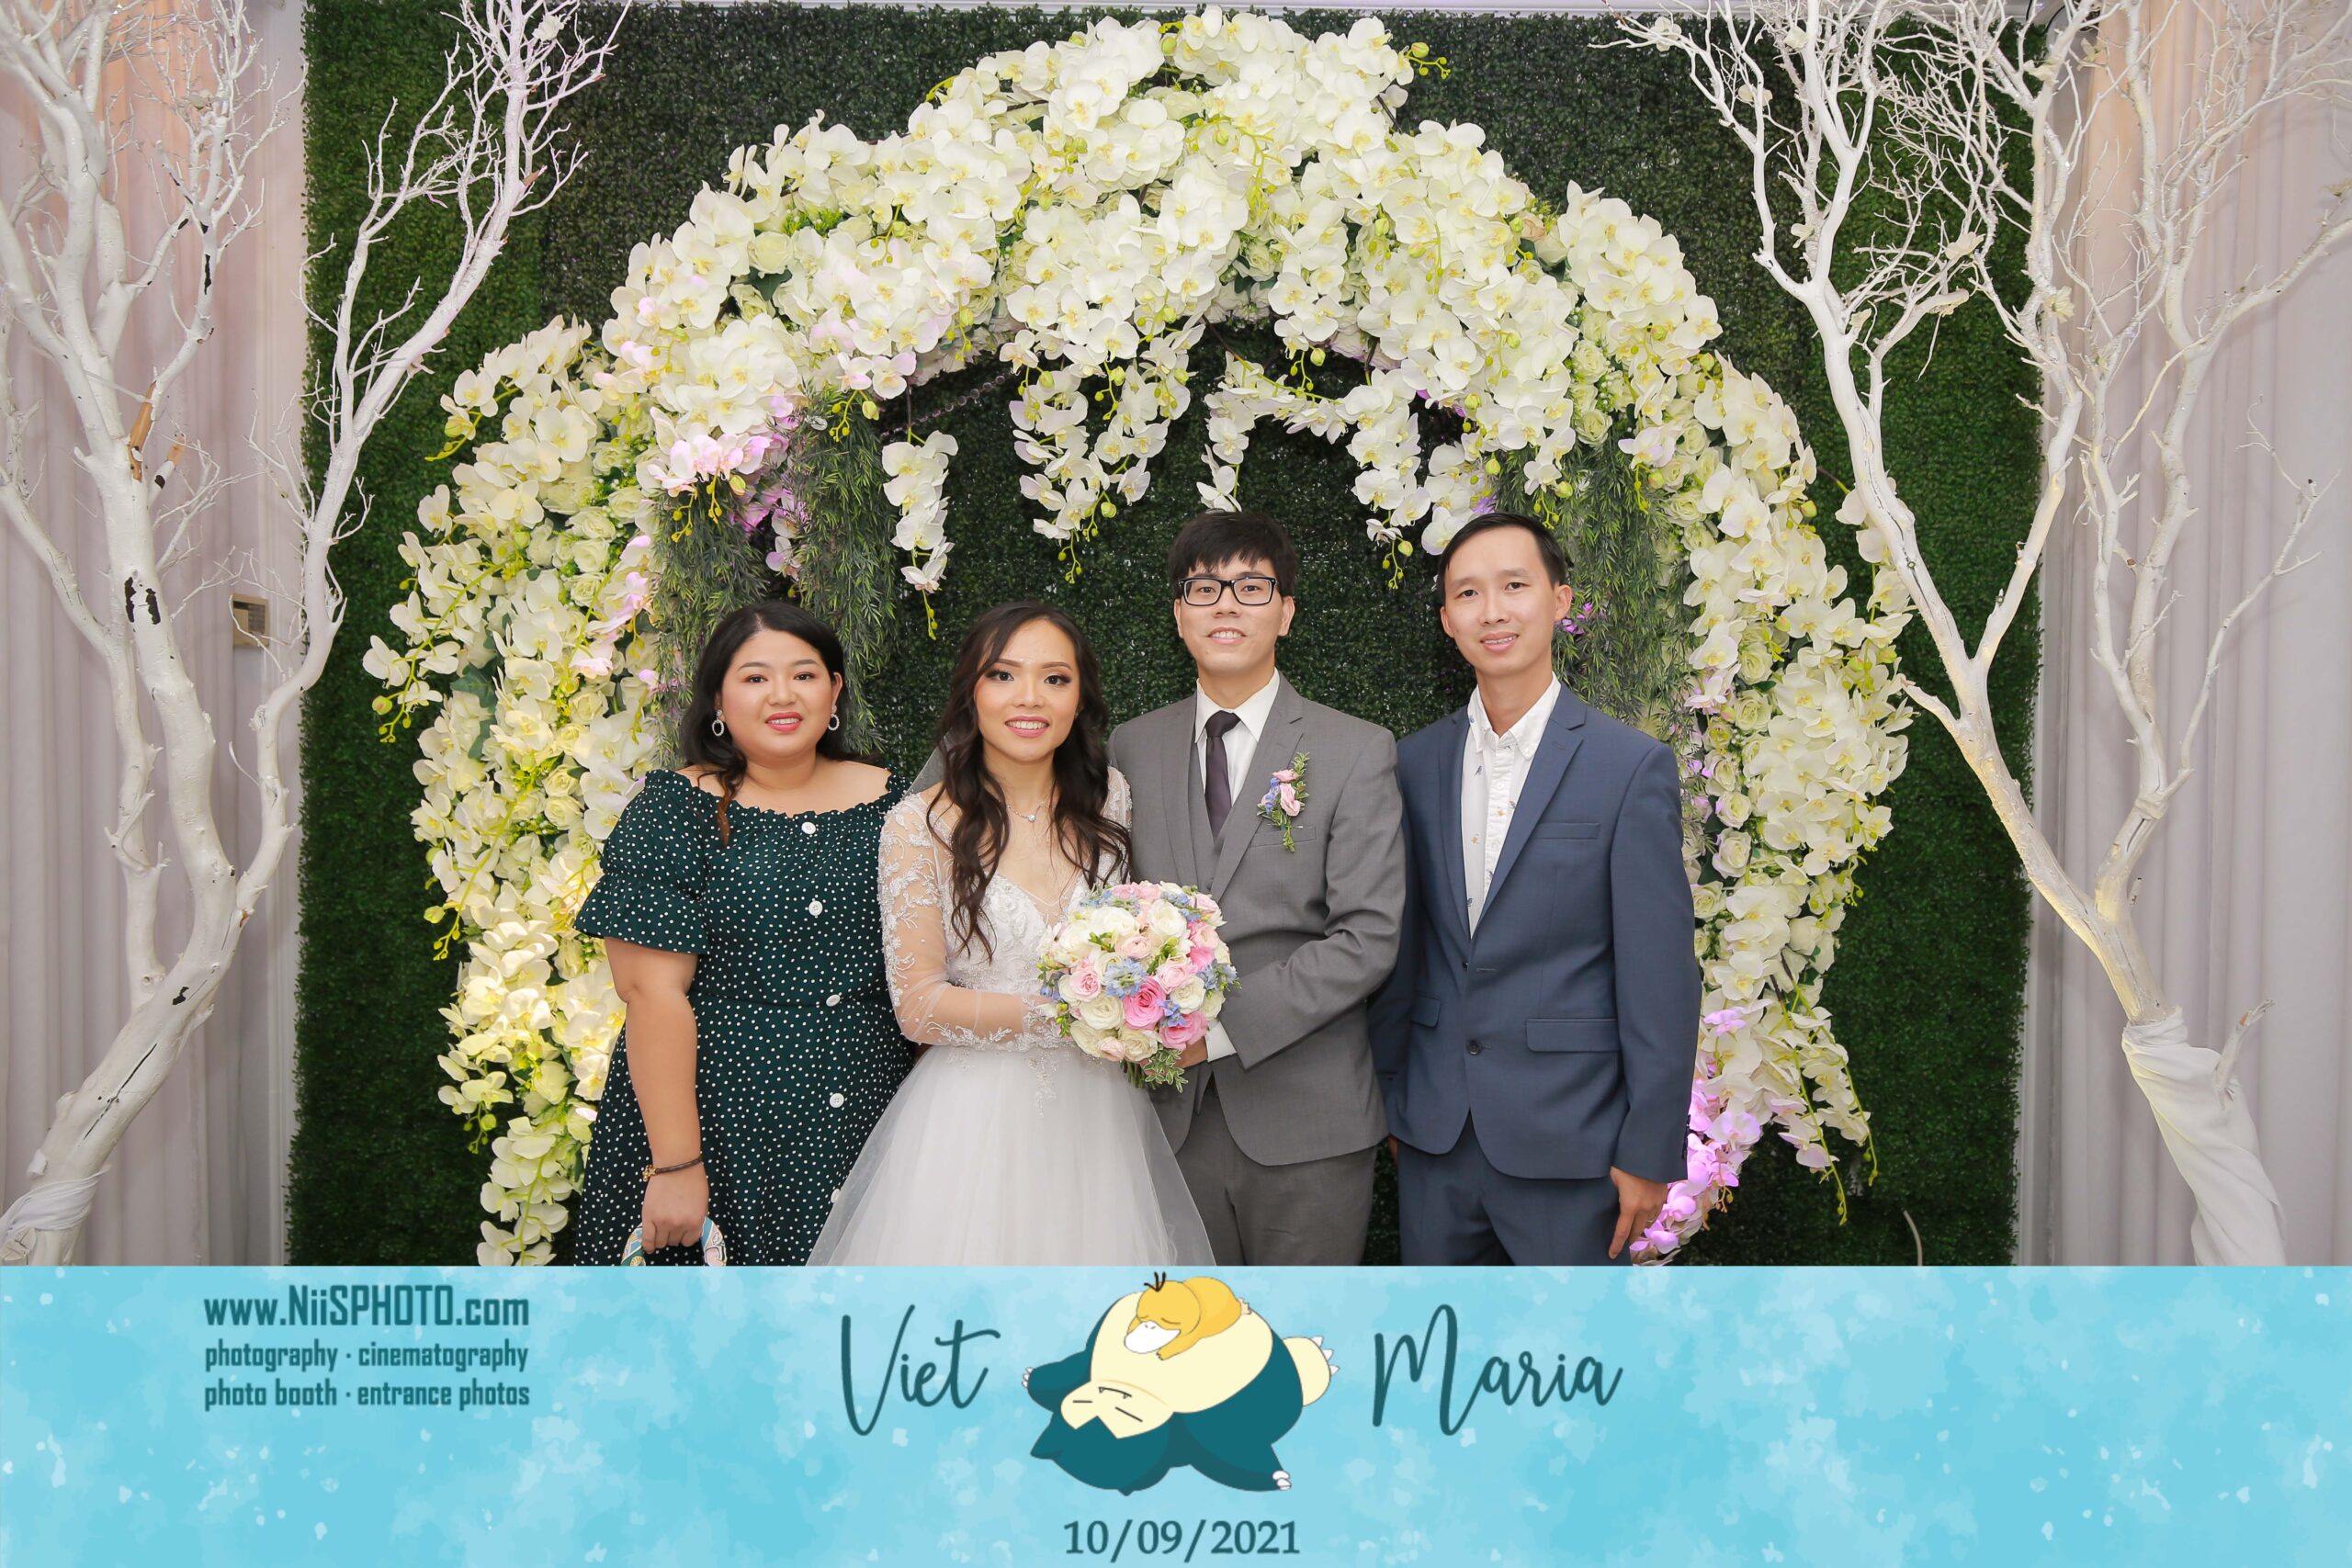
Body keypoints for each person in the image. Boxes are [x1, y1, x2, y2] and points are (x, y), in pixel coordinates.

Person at [807, 603, 1214, 1265]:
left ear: (1080, 697)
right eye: (1003, 675)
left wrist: (1153, 995)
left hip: (1101, 1115)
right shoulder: (918, 825)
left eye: (1055, 678)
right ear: (972, 692)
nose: (1030, 698)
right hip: (973, 1119)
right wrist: (1082, 1013)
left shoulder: (1111, 799)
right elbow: (918, 1006)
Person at [1370, 512, 1701, 1266]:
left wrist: (1650, 1146)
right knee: (1444, 1338)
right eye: (1468, 593)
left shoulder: (1629, 766)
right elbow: (1403, 948)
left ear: (1559, 600)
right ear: (1447, 619)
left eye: (1514, 585)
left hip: (1574, 1142)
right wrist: (1393, 1096)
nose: (1492, 610)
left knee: (1569, 1341)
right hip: (1434, 1136)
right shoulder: (1411, 764)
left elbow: (1659, 974)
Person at [1107, 511, 1406, 1266]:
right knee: (1184, 1332)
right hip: (1167, 1121)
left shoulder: (1354, 748)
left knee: (1303, 1330)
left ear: (1287, 612)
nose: (1227, 605)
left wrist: (1214, 1030)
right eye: (1204, 588)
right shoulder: (1132, 746)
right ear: (1179, 614)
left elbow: (1368, 937)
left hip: (1308, 1120)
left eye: (1251, 587)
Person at [571, 603, 909, 1265]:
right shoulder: (673, 810)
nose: (783, 695)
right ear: (719, 700)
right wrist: (677, 1165)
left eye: (804, 675)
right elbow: (651, 994)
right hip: (718, 1123)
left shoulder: (899, 804)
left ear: (835, 691)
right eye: (755, 678)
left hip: (872, 1112)